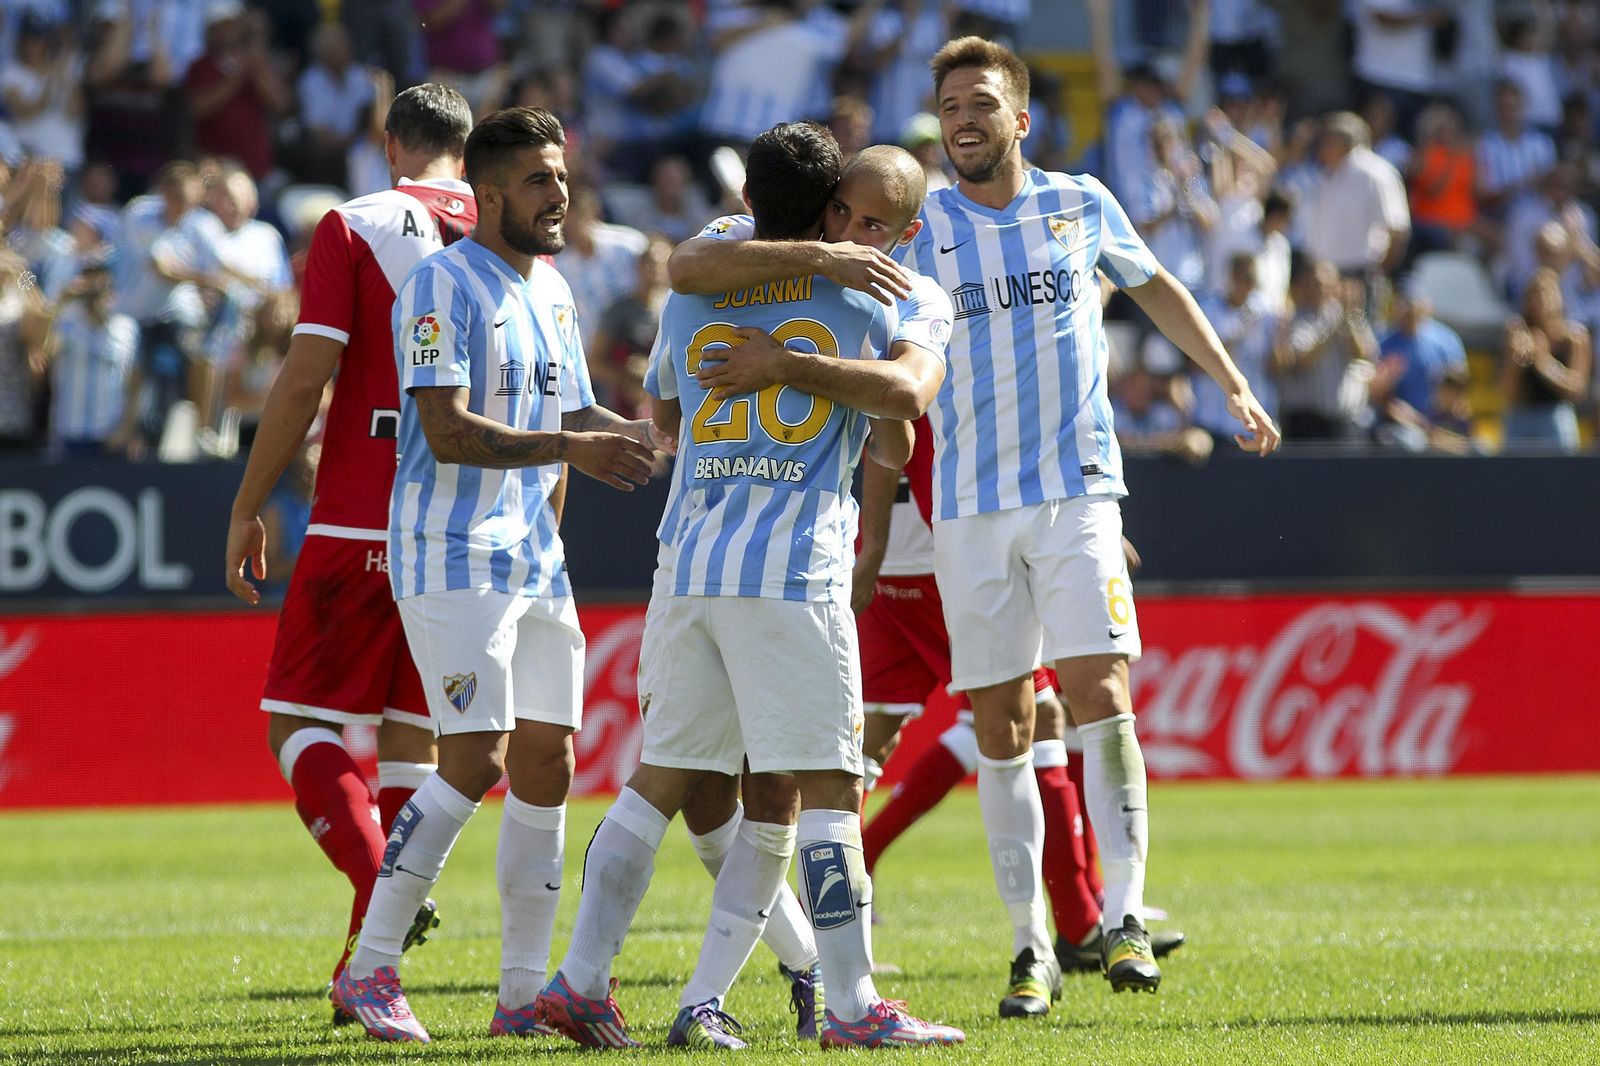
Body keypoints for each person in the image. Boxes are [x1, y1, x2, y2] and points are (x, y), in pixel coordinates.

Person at [536, 129, 960, 1050]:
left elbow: (667, 411)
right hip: (791, 570)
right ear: (824, 205)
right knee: (832, 788)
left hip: (689, 562)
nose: (852, 230)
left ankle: (581, 982)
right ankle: (851, 1007)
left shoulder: (713, 267)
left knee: (659, 780)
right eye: (844, 211)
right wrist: (802, 373)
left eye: (869, 220)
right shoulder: (902, 291)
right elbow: (908, 396)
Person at [894, 36, 1273, 1004]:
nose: (962, 120)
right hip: (970, 510)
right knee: (1002, 723)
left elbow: (1156, 287)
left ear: (1021, 118)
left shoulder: (1079, 203)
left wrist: (1230, 384)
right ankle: (1029, 945)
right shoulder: (916, 225)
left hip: (1077, 492)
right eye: (949, 106)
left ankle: (1126, 917)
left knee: (1101, 692)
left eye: (980, 102)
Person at [329, 105, 663, 1044]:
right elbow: (446, 430)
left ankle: (523, 997)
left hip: (532, 558)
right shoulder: (440, 284)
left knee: (547, 762)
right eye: (537, 181)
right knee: (472, 759)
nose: (558, 195)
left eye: (561, 177)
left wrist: (633, 433)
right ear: (485, 194)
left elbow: (574, 410)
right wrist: (571, 443)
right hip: (448, 553)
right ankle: (371, 968)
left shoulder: (554, 288)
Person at [222, 84, 477, 1018]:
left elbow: (303, 380)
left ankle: (381, 898)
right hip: (473, 527)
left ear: (388, 143)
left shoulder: (357, 222)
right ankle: (363, 970)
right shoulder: (513, 224)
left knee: (297, 724)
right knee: (414, 743)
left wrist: (249, 502)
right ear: (468, 147)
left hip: (366, 515)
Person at [1271, 254, 1377, 441]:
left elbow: (1363, 354)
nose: (1316, 289)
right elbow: (1304, 360)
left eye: (1322, 283)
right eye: (1311, 283)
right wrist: (1336, 325)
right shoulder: (1295, 318)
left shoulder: (1352, 316)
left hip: (1345, 421)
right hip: (1307, 422)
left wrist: (1349, 319)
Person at [184, 0, 290, 181]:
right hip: (214, 173)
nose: (228, 32)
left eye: (232, 24)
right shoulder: (198, 67)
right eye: (221, 26)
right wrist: (237, 76)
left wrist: (260, 71)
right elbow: (196, 108)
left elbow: (282, 106)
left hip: (256, 169)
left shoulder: (259, 62)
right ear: (210, 30)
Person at [47, 253, 140, 458]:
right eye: (88, 280)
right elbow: (44, 352)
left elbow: (134, 383)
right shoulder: (66, 322)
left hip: (110, 432)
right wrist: (60, 302)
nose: (95, 288)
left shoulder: (127, 328)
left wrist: (126, 428)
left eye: (100, 280)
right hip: (71, 430)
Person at [1304, 112, 1411, 285]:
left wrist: (1379, 273)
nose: (1319, 148)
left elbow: (1398, 231)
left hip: (1359, 276)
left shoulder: (1375, 174)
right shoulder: (1326, 174)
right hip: (1323, 276)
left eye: (1324, 141)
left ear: (1340, 142)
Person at [1500, 267, 1591, 452]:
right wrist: (1516, 358)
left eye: (1547, 294)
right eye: (1535, 295)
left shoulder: (1574, 338)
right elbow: (1508, 392)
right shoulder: (1519, 333)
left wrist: (1543, 363)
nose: (1541, 302)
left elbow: (1576, 391)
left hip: (1555, 416)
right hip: (1521, 415)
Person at [1197, 251, 1279, 449]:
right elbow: (1197, 364)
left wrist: (1281, 334)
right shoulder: (1208, 309)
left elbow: (1278, 366)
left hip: (1255, 422)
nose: (1247, 285)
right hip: (1212, 421)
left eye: (1251, 279)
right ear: (1231, 278)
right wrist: (1236, 334)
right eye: (1242, 278)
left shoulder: (1266, 311)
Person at [1372, 286, 1468, 450]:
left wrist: (1446, 430)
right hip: (1401, 425)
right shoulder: (1381, 343)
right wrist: (1424, 426)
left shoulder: (1447, 339)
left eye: (1415, 303)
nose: (1410, 309)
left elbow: (1460, 392)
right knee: (1410, 443)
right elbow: (1385, 402)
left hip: (1442, 424)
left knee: (1479, 450)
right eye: (1405, 304)